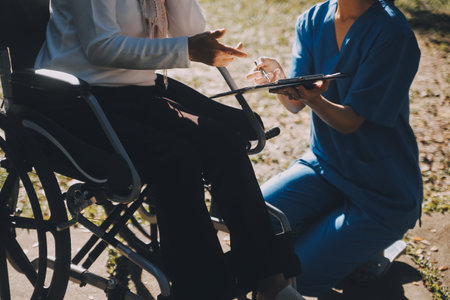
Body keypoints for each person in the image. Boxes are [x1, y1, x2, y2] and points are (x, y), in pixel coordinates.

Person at [35, 0, 303, 299]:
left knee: (222, 140)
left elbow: (190, 30)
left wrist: (187, 37)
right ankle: (203, 290)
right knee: (175, 158)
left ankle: (269, 280)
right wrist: (186, 49)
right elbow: (101, 47)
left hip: (135, 92)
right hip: (76, 99)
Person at [247, 0, 422, 297]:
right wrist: (279, 80)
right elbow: (295, 103)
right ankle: (351, 248)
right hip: (324, 166)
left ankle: (369, 245)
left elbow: (349, 121)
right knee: (251, 219)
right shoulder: (313, 19)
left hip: (381, 191)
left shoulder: (393, 32)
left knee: (296, 274)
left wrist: (314, 99)